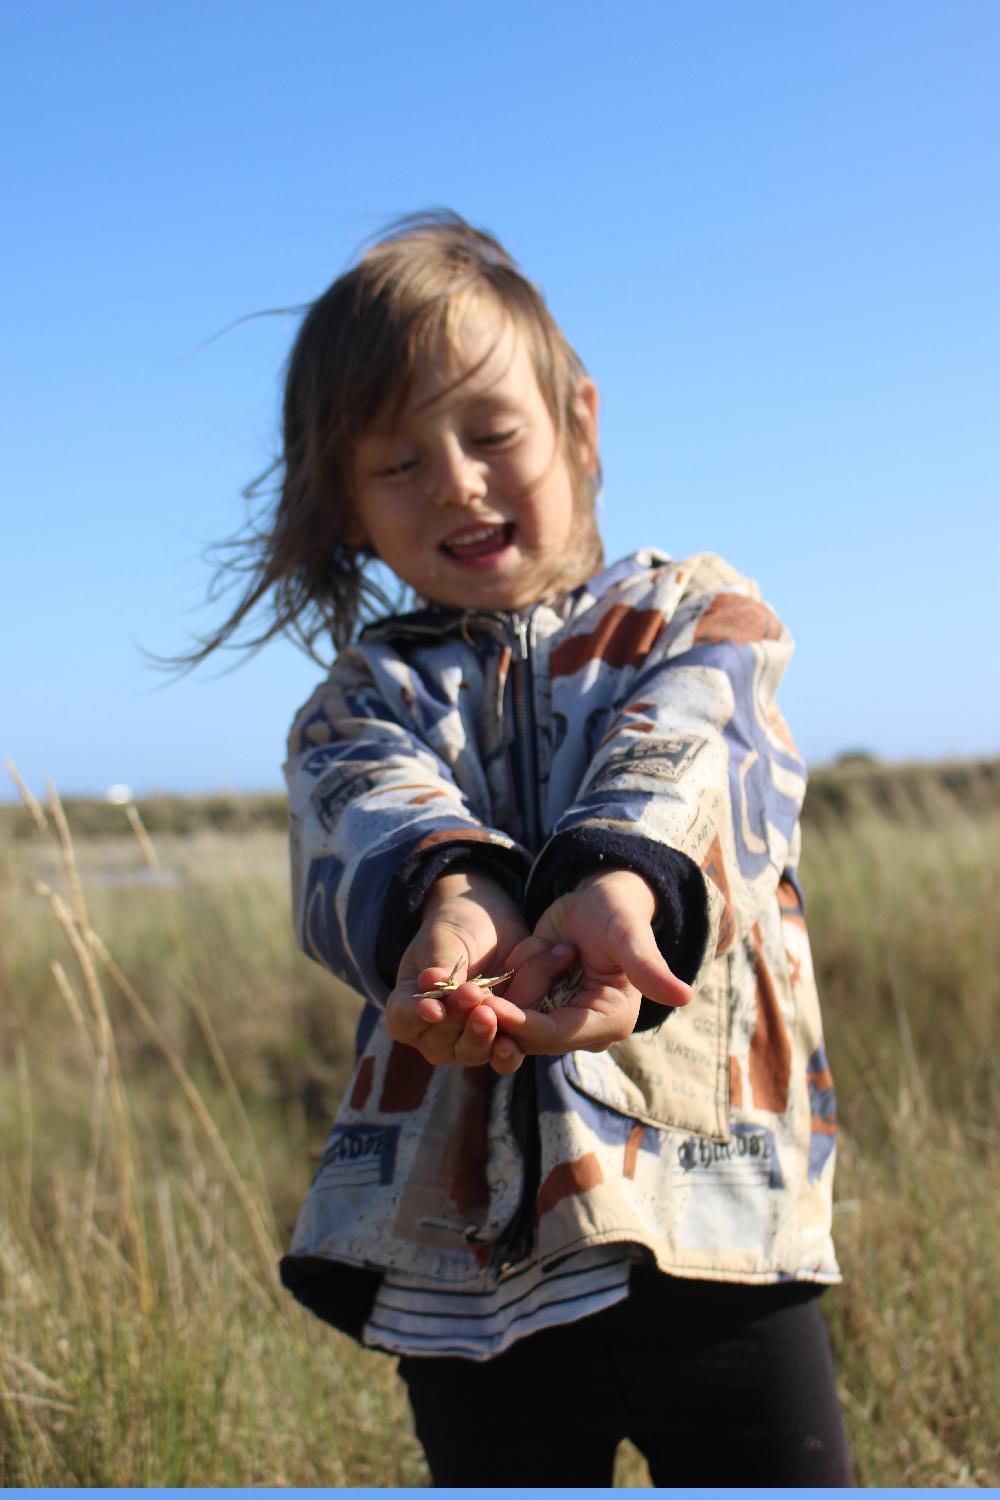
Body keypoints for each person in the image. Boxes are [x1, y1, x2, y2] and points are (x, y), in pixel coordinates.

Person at [198, 211, 850, 1486]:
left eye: (491, 433)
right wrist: (454, 892)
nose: (456, 480)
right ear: (342, 501)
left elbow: (703, 753)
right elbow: (363, 812)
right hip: (463, 1266)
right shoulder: (357, 701)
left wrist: (621, 877)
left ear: (578, 419)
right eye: (396, 462)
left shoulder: (696, 616)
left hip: (712, 1225)